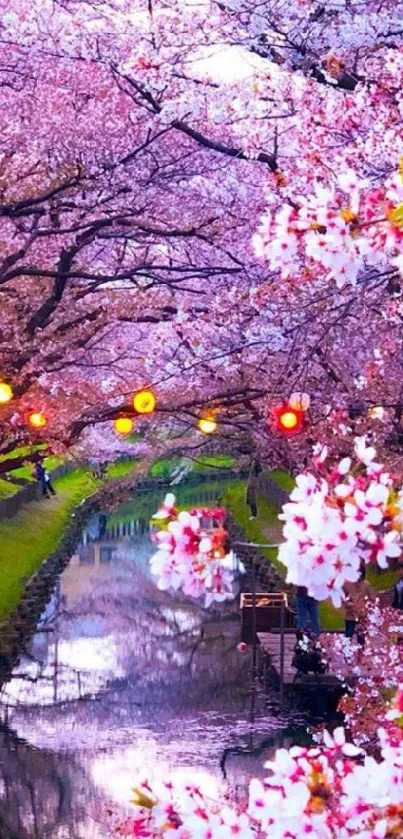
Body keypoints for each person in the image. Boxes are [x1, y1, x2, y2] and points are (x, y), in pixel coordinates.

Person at [343, 563, 373, 644]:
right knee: (348, 639)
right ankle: (347, 655)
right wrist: (351, 605)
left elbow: (371, 600)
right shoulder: (346, 584)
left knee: (361, 640)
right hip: (350, 616)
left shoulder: (366, 584)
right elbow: (343, 600)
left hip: (362, 617)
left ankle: (361, 655)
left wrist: (366, 607)